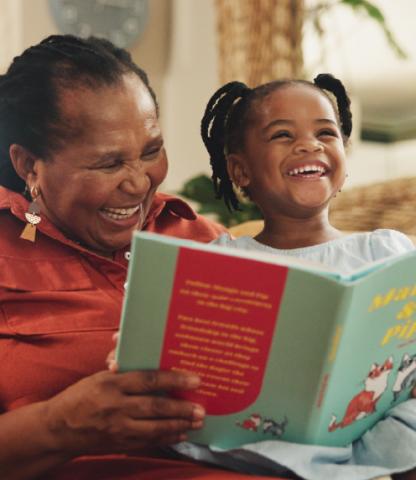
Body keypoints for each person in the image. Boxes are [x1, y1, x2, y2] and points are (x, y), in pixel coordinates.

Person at [0, 34, 287, 480]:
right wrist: (61, 425)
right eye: (108, 163)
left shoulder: (198, 235)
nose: (138, 183)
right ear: (28, 166)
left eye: (151, 151)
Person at [171, 76, 416, 480]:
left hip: (372, 425)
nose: (310, 145)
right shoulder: (222, 262)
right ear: (241, 170)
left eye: (326, 132)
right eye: (283, 134)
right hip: (257, 441)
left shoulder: (385, 252)